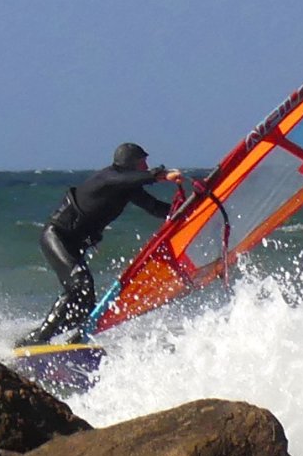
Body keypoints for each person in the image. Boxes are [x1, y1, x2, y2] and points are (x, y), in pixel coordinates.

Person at [20, 143, 186, 344]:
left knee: (85, 306)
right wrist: (160, 175)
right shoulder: (108, 177)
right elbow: (127, 178)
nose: (145, 166)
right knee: (78, 284)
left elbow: (154, 207)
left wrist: (187, 209)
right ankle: (39, 338)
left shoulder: (128, 188)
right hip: (57, 236)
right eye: (142, 162)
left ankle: (59, 341)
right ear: (130, 164)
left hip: (73, 244)